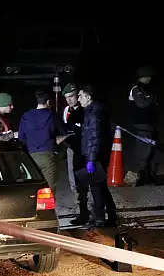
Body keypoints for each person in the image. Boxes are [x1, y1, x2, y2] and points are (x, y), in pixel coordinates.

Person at [75, 84, 117, 227]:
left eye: (80, 96)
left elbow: (95, 138)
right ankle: (111, 214)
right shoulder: (93, 111)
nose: (78, 99)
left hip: (96, 156)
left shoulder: (94, 114)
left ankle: (99, 218)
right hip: (96, 154)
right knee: (101, 185)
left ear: (88, 97)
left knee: (96, 186)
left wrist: (91, 159)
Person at [18, 90, 67, 192]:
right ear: (48, 102)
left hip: (30, 158)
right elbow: (64, 132)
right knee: (48, 192)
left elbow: (21, 139)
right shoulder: (52, 115)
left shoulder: (25, 116)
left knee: (31, 191)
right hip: (48, 157)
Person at [61, 83, 88, 223]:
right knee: (75, 183)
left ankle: (101, 212)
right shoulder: (67, 111)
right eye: (66, 98)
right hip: (73, 150)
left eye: (71, 96)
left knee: (94, 182)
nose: (69, 100)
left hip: (87, 151)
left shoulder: (86, 109)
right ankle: (82, 211)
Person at [128, 65, 160, 185]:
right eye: (149, 77)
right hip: (142, 124)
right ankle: (140, 176)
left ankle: (148, 174)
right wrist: (152, 99)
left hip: (148, 123)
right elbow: (142, 104)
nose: (150, 79)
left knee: (150, 150)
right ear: (144, 77)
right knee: (144, 151)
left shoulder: (145, 88)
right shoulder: (137, 89)